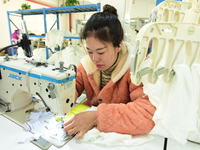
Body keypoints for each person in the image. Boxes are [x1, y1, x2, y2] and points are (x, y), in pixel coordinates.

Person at [64, 4, 156, 140]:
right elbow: (70, 90)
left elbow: (147, 114)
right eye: (89, 51)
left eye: (101, 51)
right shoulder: (85, 66)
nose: (95, 58)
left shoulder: (135, 68)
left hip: (121, 137)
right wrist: (62, 98)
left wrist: (97, 117)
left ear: (118, 45)